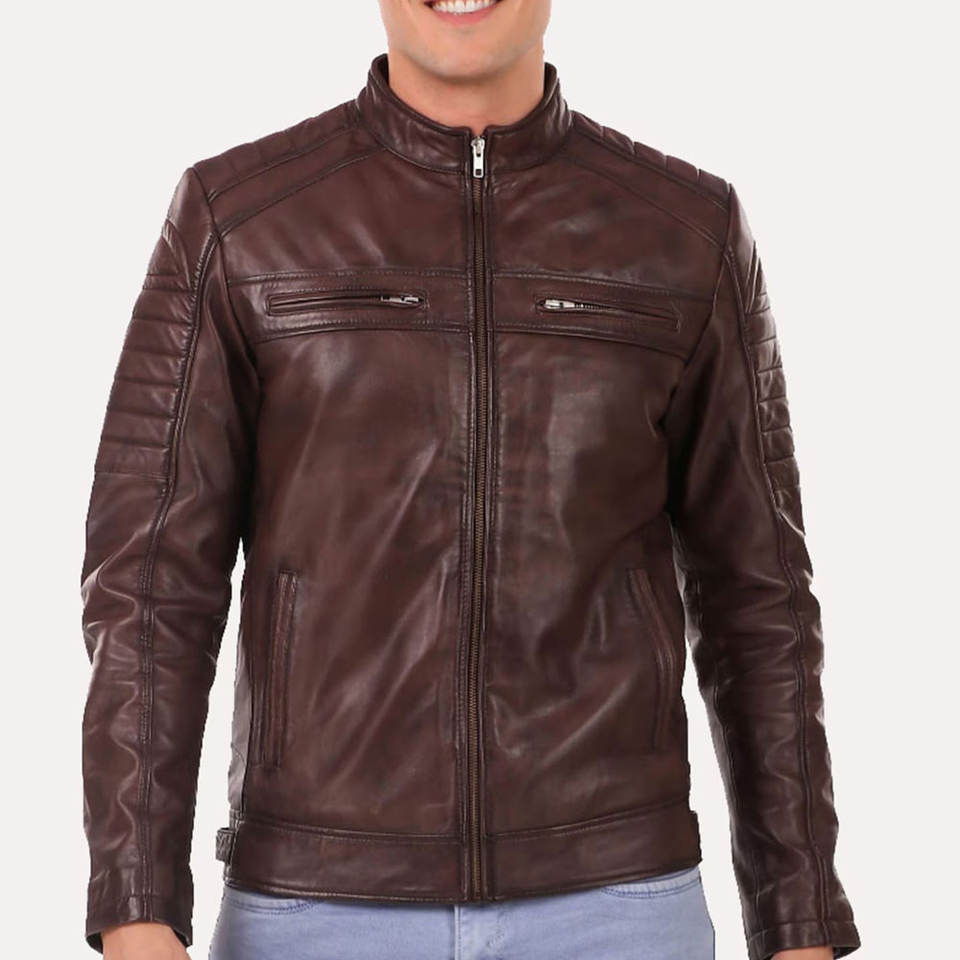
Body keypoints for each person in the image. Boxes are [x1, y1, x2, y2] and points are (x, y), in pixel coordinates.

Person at [79, 1, 861, 958]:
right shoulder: (238, 221)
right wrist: (137, 909)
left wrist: (799, 922)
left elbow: (761, 601)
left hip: (617, 904)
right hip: (316, 905)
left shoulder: (685, 233)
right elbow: (150, 588)